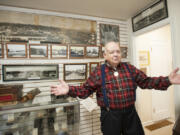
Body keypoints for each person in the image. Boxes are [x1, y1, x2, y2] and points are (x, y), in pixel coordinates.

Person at [51, 41, 180, 135]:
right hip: (110, 116)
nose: (115, 54)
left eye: (118, 51)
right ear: (105, 55)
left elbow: (147, 82)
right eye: (111, 52)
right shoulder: (98, 72)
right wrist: (69, 90)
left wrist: (168, 80)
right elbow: (85, 91)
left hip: (131, 115)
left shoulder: (130, 68)